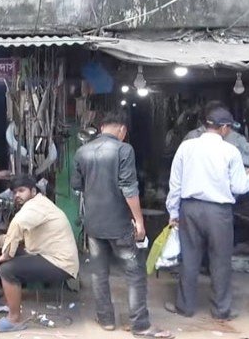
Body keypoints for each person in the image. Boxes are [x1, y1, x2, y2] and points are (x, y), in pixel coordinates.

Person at [72, 111, 173, 339]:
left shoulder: (81, 151)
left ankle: (106, 320)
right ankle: (140, 325)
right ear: (122, 130)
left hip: (94, 225)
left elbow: (77, 185)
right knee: (134, 273)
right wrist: (139, 220)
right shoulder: (124, 149)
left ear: (100, 128)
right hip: (119, 223)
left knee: (99, 273)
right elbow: (129, 187)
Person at [165, 107, 249, 321]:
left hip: (190, 209)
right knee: (221, 261)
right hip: (219, 212)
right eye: (228, 128)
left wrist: (173, 211)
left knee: (189, 259)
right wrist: (248, 176)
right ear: (223, 128)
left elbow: (175, 183)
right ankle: (221, 310)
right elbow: (240, 187)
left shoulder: (187, 147)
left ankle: (185, 307)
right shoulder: (230, 151)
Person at [0, 175, 79, 333]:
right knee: (7, 256)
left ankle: (14, 319)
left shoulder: (35, 206)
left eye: (21, 191)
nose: (17, 196)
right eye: (15, 192)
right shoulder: (37, 204)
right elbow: (25, 235)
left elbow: (18, 224)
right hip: (49, 255)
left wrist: (6, 255)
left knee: (6, 269)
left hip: (60, 264)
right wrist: (0, 240)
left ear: (33, 191)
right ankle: (10, 297)